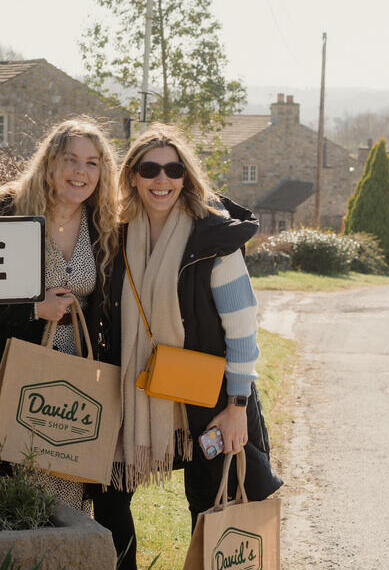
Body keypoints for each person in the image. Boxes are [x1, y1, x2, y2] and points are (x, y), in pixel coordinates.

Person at [90, 124, 282, 570]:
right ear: (132, 175)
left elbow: (242, 330)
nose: (162, 180)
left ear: (186, 176)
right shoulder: (113, 235)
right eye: (150, 168)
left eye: (173, 169)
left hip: (206, 398)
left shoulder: (214, 239)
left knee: (213, 504)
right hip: (132, 390)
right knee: (109, 498)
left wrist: (237, 406)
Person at [0, 117, 120, 511]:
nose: (81, 172)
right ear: (49, 162)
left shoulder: (103, 223)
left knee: (64, 483)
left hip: (72, 378)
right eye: (71, 159)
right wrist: (34, 308)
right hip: (7, 369)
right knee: (3, 485)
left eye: (92, 163)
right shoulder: (6, 209)